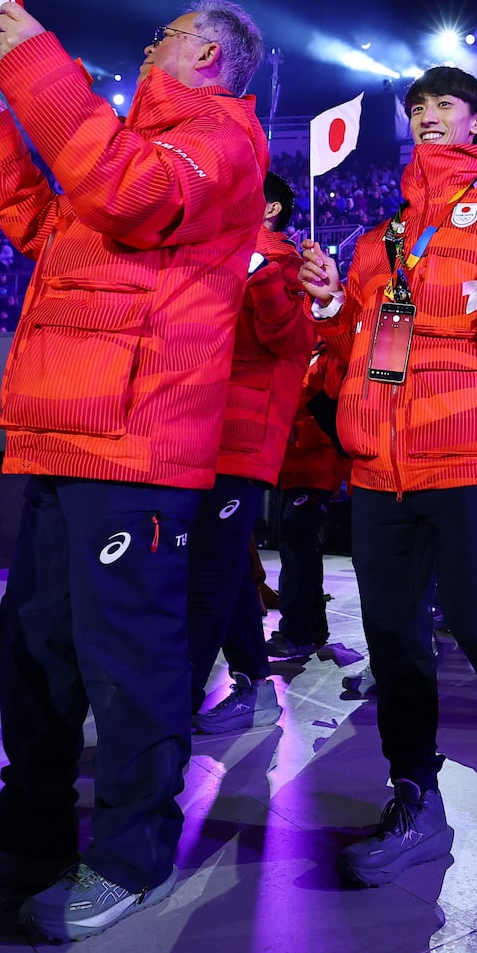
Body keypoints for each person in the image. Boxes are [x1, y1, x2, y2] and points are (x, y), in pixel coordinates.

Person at [0, 0, 268, 943]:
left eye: (165, 35)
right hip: (70, 432)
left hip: (139, 442)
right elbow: (49, 230)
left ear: (204, 51)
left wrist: (39, 71)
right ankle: (27, 833)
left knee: (129, 661)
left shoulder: (221, 140)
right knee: (35, 646)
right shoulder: (126, 143)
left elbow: (132, 201)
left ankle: (130, 856)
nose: (149, 44)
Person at [296, 64, 477, 886]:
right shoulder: (378, 238)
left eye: (444, 106)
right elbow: (354, 342)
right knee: (392, 635)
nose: (428, 118)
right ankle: (413, 797)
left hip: (470, 451)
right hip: (380, 462)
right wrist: (325, 306)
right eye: (417, 108)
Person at [187, 173, 314, 733]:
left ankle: (171, 707)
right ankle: (254, 685)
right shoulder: (221, 253)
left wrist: (257, 270)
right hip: (202, 431)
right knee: (229, 567)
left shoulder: (284, 262)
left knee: (209, 573)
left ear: (269, 208)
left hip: (237, 436)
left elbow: (289, 339)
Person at [268, 343, 350, 658]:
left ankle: (296, 631)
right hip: (293, 467)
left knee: (297, 546)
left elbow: (333, 415)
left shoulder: (329, 356)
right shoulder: (304, 356)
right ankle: (311, 627)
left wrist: (295, 432)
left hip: (315, 469)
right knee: (301, 548)